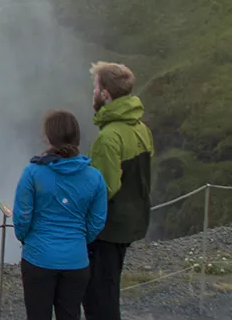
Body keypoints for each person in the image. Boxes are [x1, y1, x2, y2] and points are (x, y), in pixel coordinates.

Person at [13, 109, 108, 320]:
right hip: (76, 260)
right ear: (78, 137)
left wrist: (27, 239)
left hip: (38, 258)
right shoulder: (95, 177)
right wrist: (80, 239)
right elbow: (97, 220)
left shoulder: (33, 172)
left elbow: (22, 216)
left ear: (47, 138)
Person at [82, 61, 154, 320]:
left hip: (108, 229)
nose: (93, 92)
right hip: (132, 221)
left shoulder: (108, 138)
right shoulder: (141, 129)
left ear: (104, 93)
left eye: (95, 86)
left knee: (99, 297)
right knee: (110, 287)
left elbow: (103, 189)